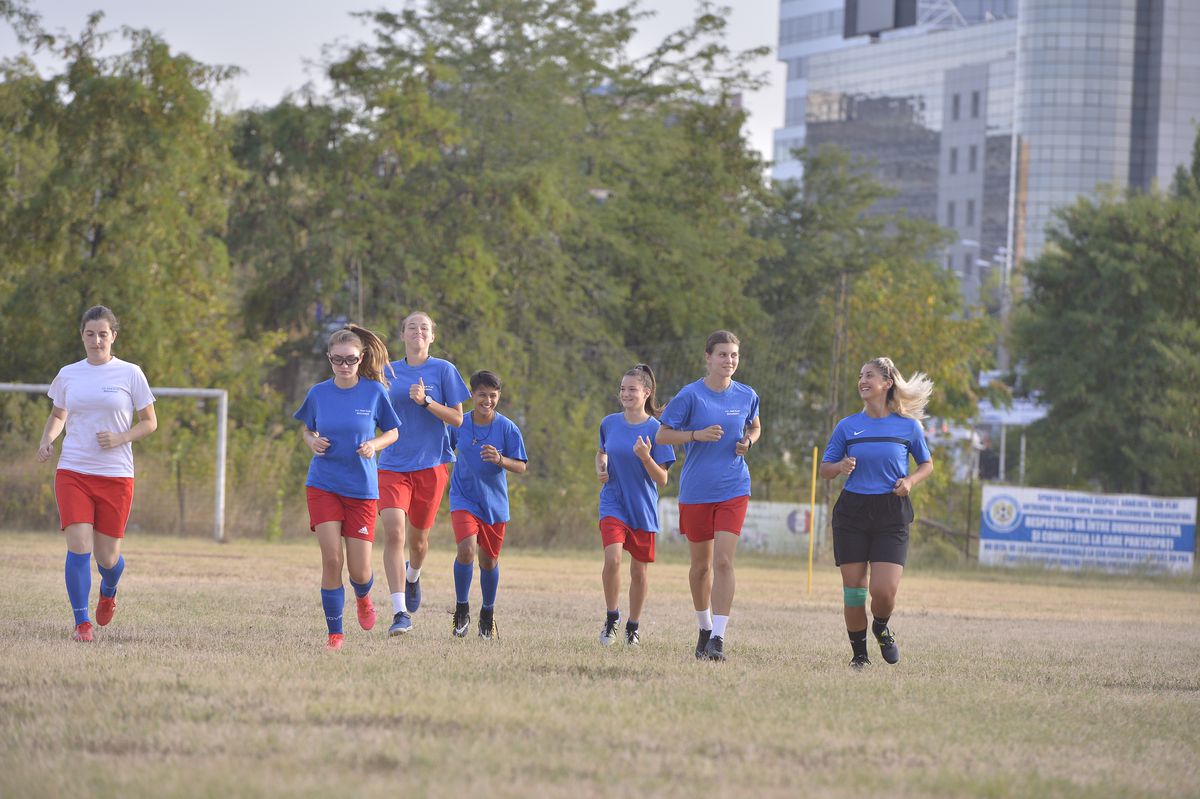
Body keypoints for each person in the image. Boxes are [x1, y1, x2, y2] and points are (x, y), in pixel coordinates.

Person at [37, 306, 158, 642]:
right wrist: (48, 440)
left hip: (116, 475)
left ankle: (109, 588)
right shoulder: (69, 374)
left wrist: (121, 437)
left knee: (107, 557)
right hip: (73, 470)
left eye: (103, 333)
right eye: (90, 334)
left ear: (113, 336)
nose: (96, 340)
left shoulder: (130, 373)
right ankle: (81, 623)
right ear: (82, 336)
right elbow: (58, 415)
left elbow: (150, 422)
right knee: (78, 546)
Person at [819, 357, 934, 669]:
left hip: (891, 513)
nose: (862, 380)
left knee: (883, 591)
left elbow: (927, 464)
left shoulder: (908, 427)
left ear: (887, 383)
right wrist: (840, 466)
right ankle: (860, 656)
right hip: (852, 512)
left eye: (869, 375)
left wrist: (910, 481)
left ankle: (881, 626)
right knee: (854, 593)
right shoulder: (847, 426)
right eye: (860, 375)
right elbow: (825, 470)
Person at [294, 325, 401, 650]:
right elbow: (307, 430)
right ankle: (334, 634)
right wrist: (312, 441)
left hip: (362, 490)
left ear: (361, 358)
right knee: (331, 560)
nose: (344, 365)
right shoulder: (318, 393)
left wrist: (374, 444)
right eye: (337, 360)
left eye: (350, 360)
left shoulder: (374, 392)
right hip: (324, 484)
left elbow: (393, 432)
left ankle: (364, 597)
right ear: (329, 359)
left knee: (359, 570)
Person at [656, 331, 761, 662]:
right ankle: (703, 628)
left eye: (734, 355)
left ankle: (718, 637)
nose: (729, 361)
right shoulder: (690, 395)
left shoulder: (747, 395)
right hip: (697, 491)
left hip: (734, 488)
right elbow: (661, 435)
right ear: (708, 357)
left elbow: (755, 426)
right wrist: (695, 435)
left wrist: (749, 441)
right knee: (701, 568)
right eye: (722, 355)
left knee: (724, 561)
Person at [377, 311, 470, 635]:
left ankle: (413, 576)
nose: (418, 332)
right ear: (402, 334)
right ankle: (400, 612)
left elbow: (458, 419)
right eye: (412, 327)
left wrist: (426, 401)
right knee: (394, 534)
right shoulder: (386, 371)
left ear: (432, 337)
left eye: (425, 328)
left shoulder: (444, 370)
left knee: (418, 543)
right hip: (390, 465)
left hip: (431, 465)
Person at [595, 364, 675, 646]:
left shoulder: (657, 430)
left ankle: (633, 625)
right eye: (622, 388)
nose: (625, 393)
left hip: (642, 507)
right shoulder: (609, 423)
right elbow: (601, 451)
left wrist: (645, 457)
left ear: (646, 393)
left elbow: (662, 478)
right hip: (613, 502)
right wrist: (600, 467)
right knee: (612, 559)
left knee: (639, 572)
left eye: (632, 389)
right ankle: (612, 616)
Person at [447, 370, 528, 639]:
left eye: (493, 396)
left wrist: (500, 459)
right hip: (463, 498)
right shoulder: (459, 423)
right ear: (472, 395)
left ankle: (487, 614)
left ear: (498, 397)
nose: (487, 401)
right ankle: (461, 609)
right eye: (482, 395)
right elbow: (442, 450)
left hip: (493, 504)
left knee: (489, 561)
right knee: (466, 549)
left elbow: (521, 466)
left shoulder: (507, 428)